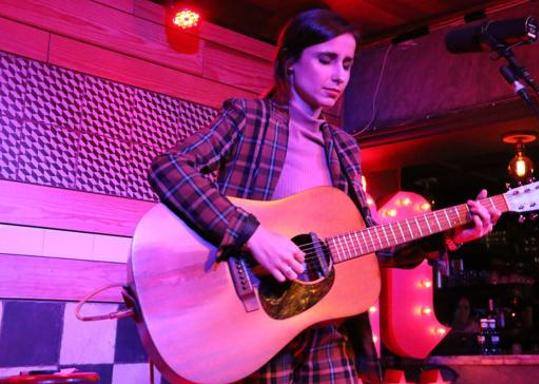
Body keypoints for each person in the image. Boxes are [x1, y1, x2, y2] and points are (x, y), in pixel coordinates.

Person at [148, 8, 500, 384]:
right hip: (255, 326)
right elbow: (169, 168)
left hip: (326, 331)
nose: (339, 76)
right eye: (326, 59)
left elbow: (369, 242)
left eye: (347, 64)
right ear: (291, 64)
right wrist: (253, 235)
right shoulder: (249, 119)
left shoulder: (343, 147)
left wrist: (448, 236)